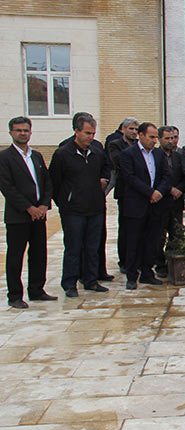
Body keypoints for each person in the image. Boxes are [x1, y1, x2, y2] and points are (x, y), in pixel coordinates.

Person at [49, 113, 110, 298]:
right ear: (76, 131)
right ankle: (69, 283)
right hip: (73, 211)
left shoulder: (97, 151)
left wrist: (104, 179)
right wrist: (66, 203)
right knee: (74, 248)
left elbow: (106, 168)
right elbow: (54, 182)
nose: (90, 137)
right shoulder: (63, 153)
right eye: (87, 133)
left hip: (95, 208)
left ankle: (90, 280)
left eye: (93, 133)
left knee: (93, 247)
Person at [0, 116, 56, 308]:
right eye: (18, 130)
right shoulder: (5, 157)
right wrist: (28, 207)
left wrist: (43, 205)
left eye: (26, 130)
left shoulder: (36, 156)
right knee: (16, 256)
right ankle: (15, 295)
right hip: (18, 216)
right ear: (11, 133)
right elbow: (7, 187)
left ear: (31, 132)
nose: (22, 133)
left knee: (39, 254)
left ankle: (37, 290)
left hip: (39, 215)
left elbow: (47, 182)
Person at [118, 122, 170, 290]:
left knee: (151, 240)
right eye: (151, 137)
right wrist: (150, 193)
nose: (154, 141)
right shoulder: (128, 154)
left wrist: (159, 192)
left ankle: (148, 273)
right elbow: (129, 177)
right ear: (141, 135)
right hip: (136, 204)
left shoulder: (158, 154)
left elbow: (166, 175)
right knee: (133, 241)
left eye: (156, 137)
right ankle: (132, 276)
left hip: (155, 205)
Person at [107, 117, 139, 272]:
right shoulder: (115, 145)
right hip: (125, 192)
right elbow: (119, 162)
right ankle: (124, 261)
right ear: (123, 130)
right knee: (125, 228)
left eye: (136, 129)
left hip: (140, 192)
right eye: (131, 129)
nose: (134, 132)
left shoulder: (140, 145)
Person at [155, 126, 185, 278]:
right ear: (159, 139)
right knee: (159, 235)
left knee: (176, 234)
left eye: (173, 138)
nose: (171, 141)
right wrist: (169, 189)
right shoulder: (154, 155)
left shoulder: (179, 156)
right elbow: (155, 179)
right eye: (167, 138)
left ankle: (174, 263)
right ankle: (160, 265)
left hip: (177, 202)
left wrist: (179, 189)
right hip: (161, 201)